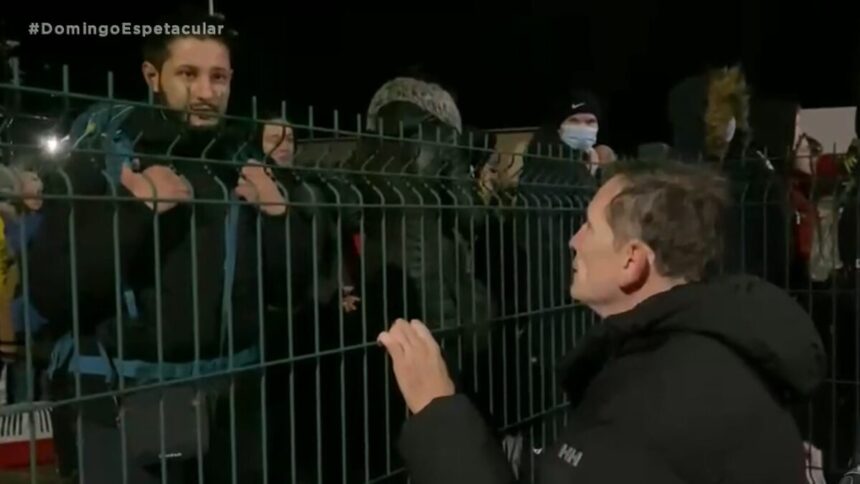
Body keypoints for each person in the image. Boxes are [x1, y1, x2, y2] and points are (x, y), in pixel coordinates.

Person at [378, 159, 827, 484]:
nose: (573, 241)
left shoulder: (655, 401)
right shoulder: (697, 353)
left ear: (633, 261)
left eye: (589, 226)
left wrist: (438, 413)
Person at [25, 10, 327, 484]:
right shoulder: (99, 164)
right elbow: (51, 293)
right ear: (153, 76)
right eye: (188, 74)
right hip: (120, 405)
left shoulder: (241, 163)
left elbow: (292, 287)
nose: (206, 93)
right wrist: (134, 212)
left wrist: (278, 216)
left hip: (232, 409)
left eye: (218, 77)